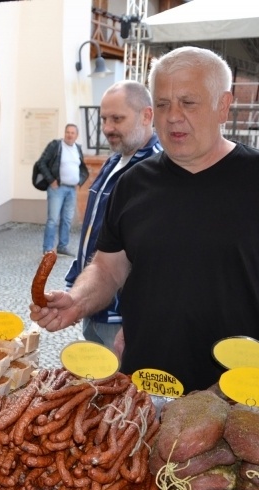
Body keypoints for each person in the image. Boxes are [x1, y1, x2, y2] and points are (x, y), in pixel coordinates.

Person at [31, 46, 259, 405]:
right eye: (164, 104)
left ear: (223, 105)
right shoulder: (132, 183)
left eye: (188, 102)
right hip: (146, 388)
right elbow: (108, 269)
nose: (173, 117)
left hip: (241, 398)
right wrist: (76, 301)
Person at [65, 81, 162, 353]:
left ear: (146, 115)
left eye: (117, 119)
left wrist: (137, 320)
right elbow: (94, 234)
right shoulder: (113, 160)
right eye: (104, 118)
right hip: (95, 306)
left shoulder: (157, 170)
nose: (107, 128)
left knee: (122, 392)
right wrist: (76, 294)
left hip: (122, 320)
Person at [37, 124, 89, 255]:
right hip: (57, 188)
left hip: (72, 190)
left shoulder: (77, 148)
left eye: (72, 133)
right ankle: (48, 248)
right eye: (68, 132)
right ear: (64, 133)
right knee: (53, 220)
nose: (70, 135)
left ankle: (63, 246)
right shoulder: (56, 146)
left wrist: (79, 181)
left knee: (67, 219)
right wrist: (51, 180)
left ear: (76, 136)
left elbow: (82, 168)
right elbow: (41, 163)